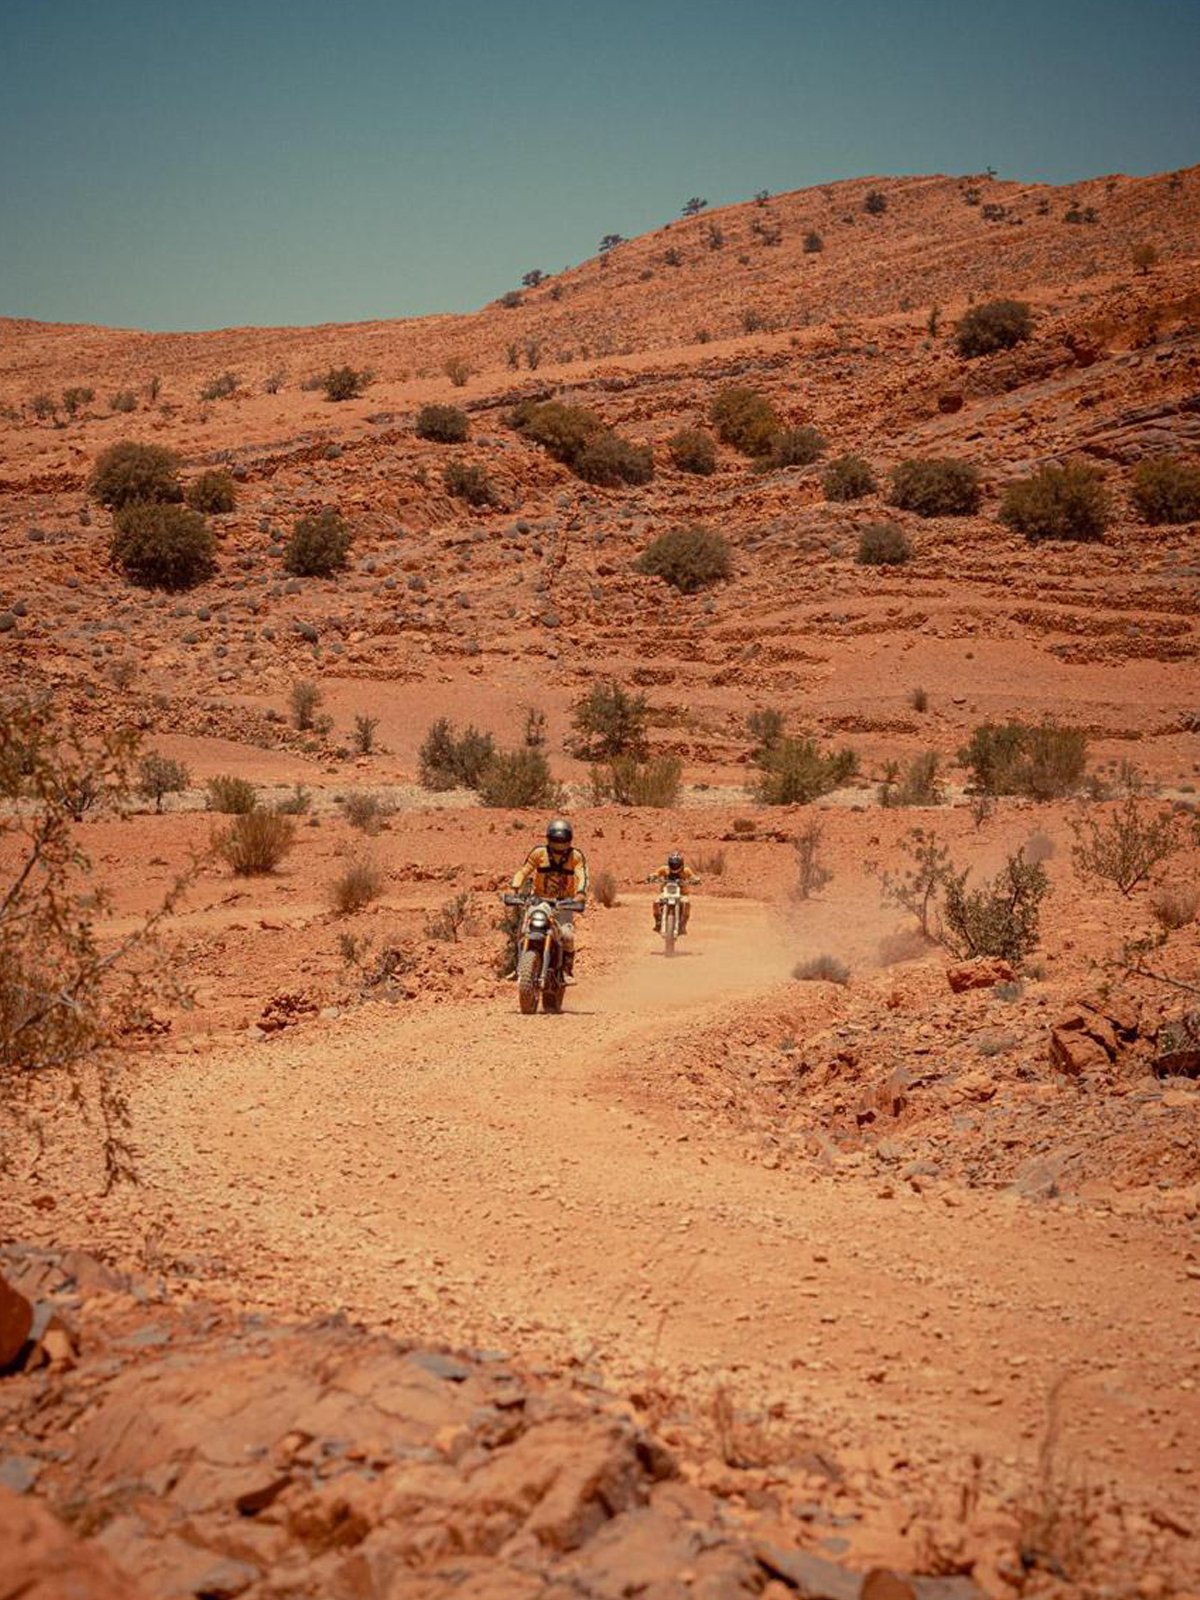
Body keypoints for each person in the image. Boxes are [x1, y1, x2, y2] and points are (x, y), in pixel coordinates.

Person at [510, 818, 589, 983]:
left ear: (569, 841)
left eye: (562, 842)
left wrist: (581, 893)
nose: (559, 846)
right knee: (524, 930)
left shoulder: (576, 856)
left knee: (567, 934)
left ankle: (567, 970)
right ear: (548, 839)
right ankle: (519, 967)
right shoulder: (538, 853)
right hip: (539, 901)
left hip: (564, 903)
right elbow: (523, 871)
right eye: (556, 842)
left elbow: (582, 875)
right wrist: (515, 887)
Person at [648, 851, 699, 934]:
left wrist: (695, 880)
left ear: (681, 864)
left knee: (687, 903)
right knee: (656, 902)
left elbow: (693, 877)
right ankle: (658, 921)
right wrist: (652, 876)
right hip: (665, 893)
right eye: (673, 864)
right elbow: (656, 874)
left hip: (682, 894)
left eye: (676, 864)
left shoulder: (686, 870)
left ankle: (683, 924)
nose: (674, 866)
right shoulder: (664, 869)